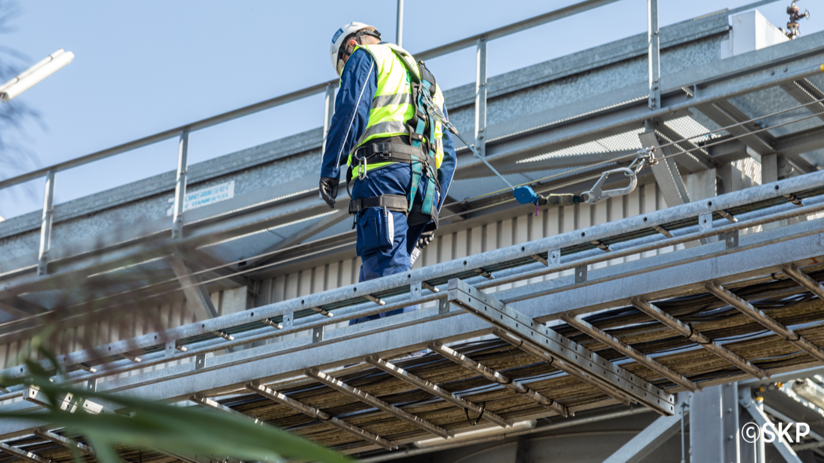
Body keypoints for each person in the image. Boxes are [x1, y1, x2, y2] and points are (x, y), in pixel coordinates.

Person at [319, 22, 456, 324]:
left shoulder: (366, 57)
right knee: (374, 278)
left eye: (343, 70)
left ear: (350, 48)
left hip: (382, 178)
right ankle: (359, 363)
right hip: (422, 188)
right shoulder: (425, 78)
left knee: (387, 272)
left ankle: (408, 348)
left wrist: (331, 168)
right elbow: (449, 159)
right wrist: (430, 214)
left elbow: (350, 110)